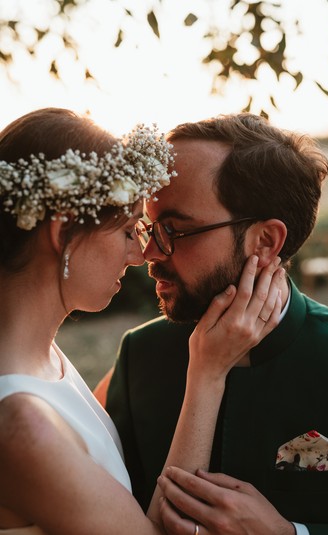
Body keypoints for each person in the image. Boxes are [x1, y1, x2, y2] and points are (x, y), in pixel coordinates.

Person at [0, 107, 284, 535]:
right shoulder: (22, 426)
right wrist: (207, 373)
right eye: (129, 230)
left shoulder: (42, 357)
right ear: (63, 234)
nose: (140, 254)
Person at [102, 113, 328, 535]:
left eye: (175, 231)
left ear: (265, 241)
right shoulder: (139, 356)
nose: (149, 254)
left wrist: (289, 533)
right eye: (150, 228)